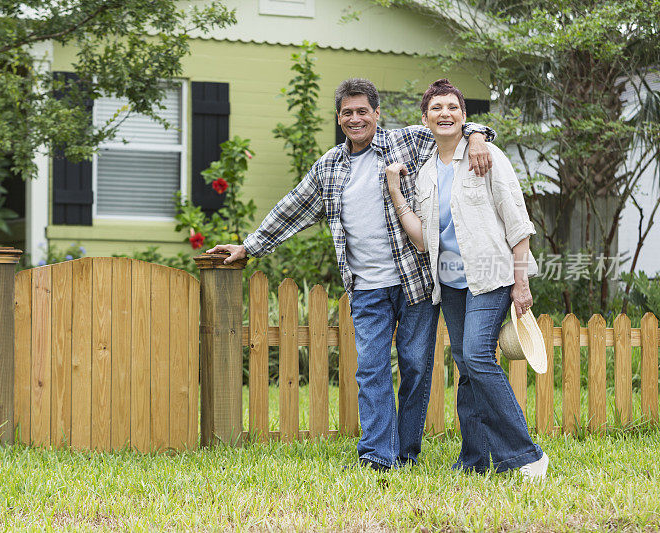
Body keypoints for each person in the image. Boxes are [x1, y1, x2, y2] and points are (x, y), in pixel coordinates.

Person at [207, 78, 496, 472]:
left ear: (377, 114)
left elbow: (453, 130)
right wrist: (249, 246)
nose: (356, 118)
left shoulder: (408, 141)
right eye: (348, 112)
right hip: (366, 288)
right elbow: (291, 209)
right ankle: (379, 455)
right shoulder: (329, 166)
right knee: (371, 370)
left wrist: (478, 136)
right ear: (339, 118)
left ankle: (406, 452)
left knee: (415, 368)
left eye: (363, 111)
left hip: (415, 282)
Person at [385, 78, 548, 479]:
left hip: (492, 275)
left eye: (453, 107)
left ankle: (527, 455)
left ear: (464, 117)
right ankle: (475, 459)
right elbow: (423, 240)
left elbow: (519, 225)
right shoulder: (423, 174)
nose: (445, 113)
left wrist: (521, 282)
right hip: (452, 285)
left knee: (477, 357)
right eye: (436, 108)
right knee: (466, 366)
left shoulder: (486, 155)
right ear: (424, 119)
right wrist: (395, 193)